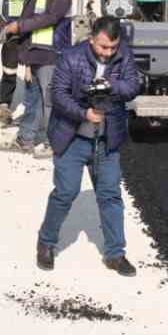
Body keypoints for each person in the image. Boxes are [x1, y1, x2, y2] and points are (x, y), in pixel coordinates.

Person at [36, 16, 143, 276]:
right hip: (72, 137)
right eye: (103, 47)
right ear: (92, 38)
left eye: (113, 48)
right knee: (65, 192)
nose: (108, 53)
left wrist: (110, 86)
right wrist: (84, 114)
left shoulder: (124, 56)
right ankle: (46, 242)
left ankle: (115, 254)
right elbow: (57, 95)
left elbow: (133, 85)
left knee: (110, 195)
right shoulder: (71, 57)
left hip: (107, 140)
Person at [2, 0, 71, 156]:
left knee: (50, 100)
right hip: (35, 52)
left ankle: (55, 144)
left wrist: (19, 27)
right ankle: (25, 139)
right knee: (33, 98)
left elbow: (51, 17)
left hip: (50, 53)